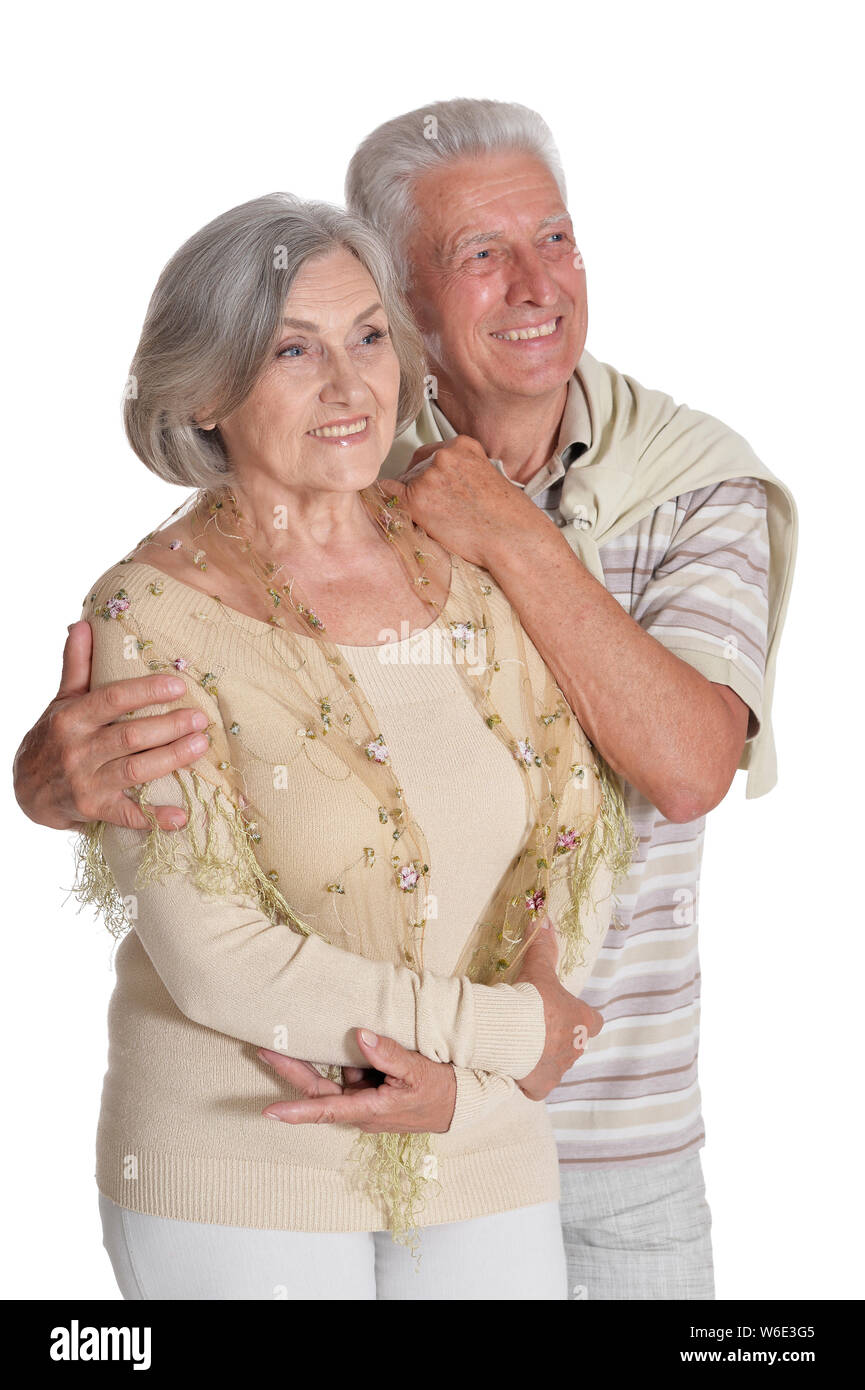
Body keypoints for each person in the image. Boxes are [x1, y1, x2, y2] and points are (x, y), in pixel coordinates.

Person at [14, 99, 798, 1300]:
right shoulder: (323, 480)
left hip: (602, 1121)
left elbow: (674, 774)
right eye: (478, 254)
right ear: (418, 307)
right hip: (302, 1132)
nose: (535, 284)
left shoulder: (687, 486)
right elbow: (207, 900)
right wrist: (46, 774)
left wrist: (507, 538)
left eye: (554, 237)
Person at [47, 192, 635, 1300]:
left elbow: (571, 831)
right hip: (242, 1162)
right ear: (208, 389)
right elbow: (211, 950)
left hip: (487, 1146)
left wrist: (466, 1089)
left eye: (369, 337)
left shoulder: (468, 560)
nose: (348, 383)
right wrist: (511, 1030)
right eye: (293, 350)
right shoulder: (150, 614)